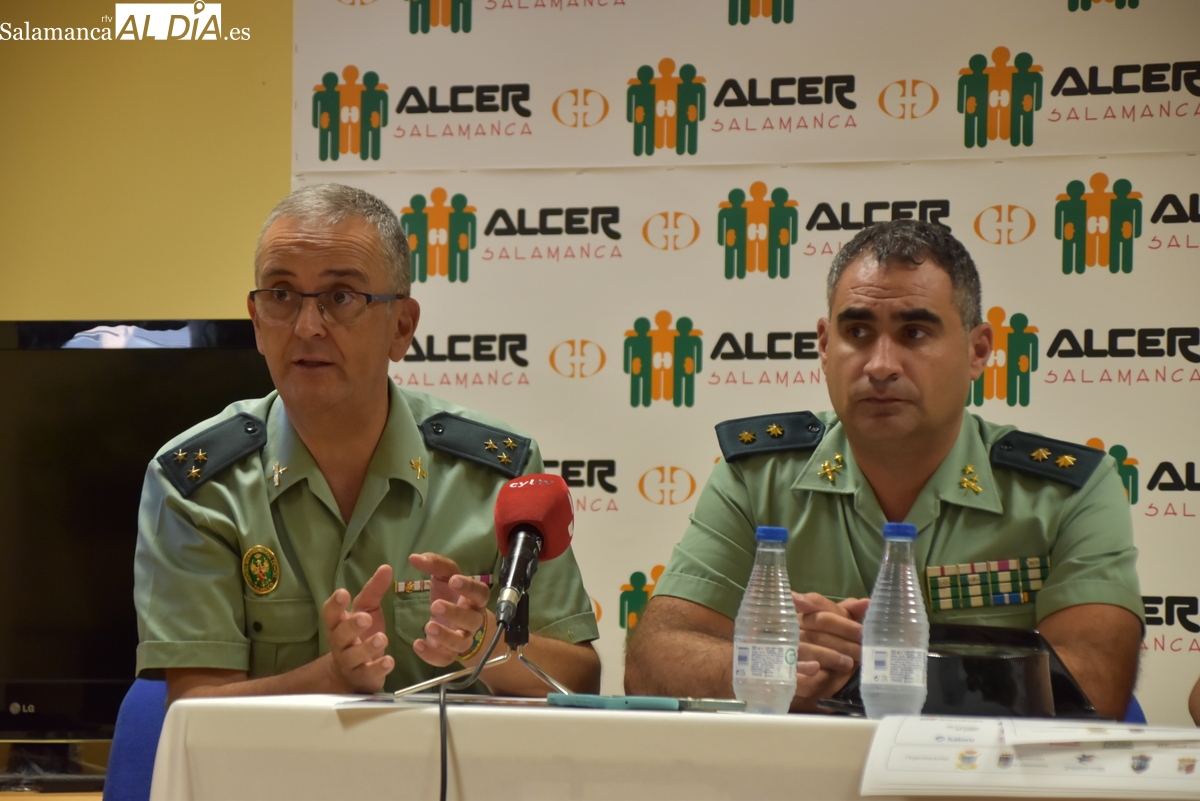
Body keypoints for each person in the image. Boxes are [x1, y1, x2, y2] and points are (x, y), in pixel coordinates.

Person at [625, 219, 1142, 720]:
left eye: (914, 332)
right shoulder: (757, 476)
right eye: (858, 332)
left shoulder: (1066, 491)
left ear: (978, 350)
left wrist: (876, 666)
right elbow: (652, 663)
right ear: (825, 346)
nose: (880, 364)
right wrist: (784, 665)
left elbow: (1097, 685)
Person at [135, 184, 600, 705]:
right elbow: (195, 707)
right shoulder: (197, 487)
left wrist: (481, 642)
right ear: (257, 322)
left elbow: (578, 681)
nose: (307, 327)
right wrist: (330, 678)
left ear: (401, 327)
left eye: (341, 298)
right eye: (282, 295)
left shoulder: (498, 477)